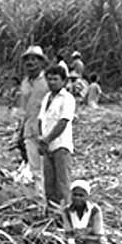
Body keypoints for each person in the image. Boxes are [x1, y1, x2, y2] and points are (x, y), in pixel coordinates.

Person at [38, 64, 76, 212]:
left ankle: (66, 215)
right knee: (49, 184)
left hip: (61, 146)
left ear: (63, 81)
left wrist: (47, 139)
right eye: (49, 79)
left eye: (55, 79)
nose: (52, 82)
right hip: (47, 147)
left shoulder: (67, 98)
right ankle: (52, 213)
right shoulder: (47, 97)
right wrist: (42, 140)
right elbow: (41, 119)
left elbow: (63, 122)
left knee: (62, 183)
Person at [15, 45, 50, 206]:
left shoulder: (48, 81)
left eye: (34, 59)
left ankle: (53, 198)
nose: (30, 62)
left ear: (41, 62)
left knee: (49, 167)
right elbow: (23, 110)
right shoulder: (25, 83)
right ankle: (40, 200)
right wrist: (19, 131)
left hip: (47, 131)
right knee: (35, 168)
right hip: (29, 130)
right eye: (27, 60)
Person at [62, 180, 119, 244]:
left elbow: (98, 234)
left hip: (93, 241)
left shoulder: (94, 210)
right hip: (76, 242)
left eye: (81, 195)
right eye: (75, 195)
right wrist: (72, 239)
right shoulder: (66, 211)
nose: (77, 198)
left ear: (87, 197)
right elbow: (68, 232)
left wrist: (83, 237)